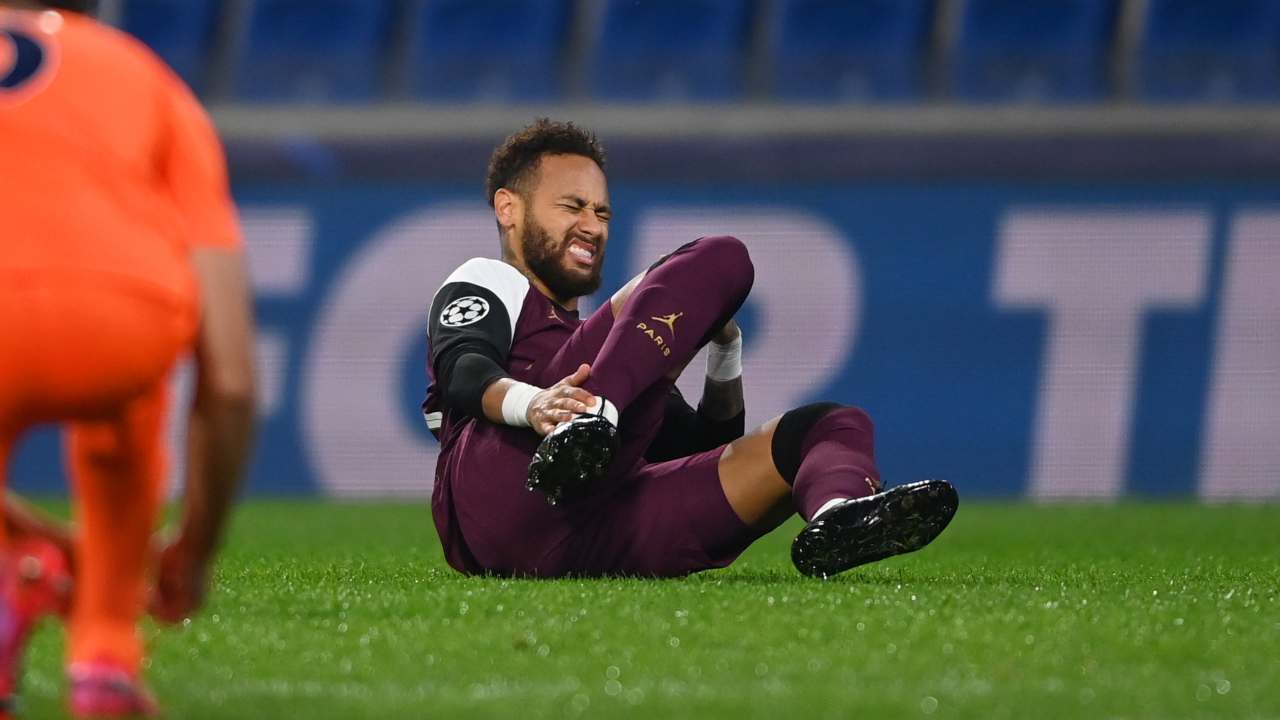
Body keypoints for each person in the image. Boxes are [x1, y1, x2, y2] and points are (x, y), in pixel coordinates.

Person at [423, 118, 957, 580]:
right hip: (502, 490)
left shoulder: (614, 357)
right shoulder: (489, 280)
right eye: (572, 206)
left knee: (833, 426)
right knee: (721, 257)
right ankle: (588, 421)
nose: (592, 225)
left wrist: (724, 348)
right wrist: (537, 405)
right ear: (508, 208)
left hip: (590, 530)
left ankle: (840, 514)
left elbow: (702, 449)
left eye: (603, 214)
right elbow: (464, 371)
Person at [0, 1, 256, 716]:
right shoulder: (147, 81)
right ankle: (105, 651)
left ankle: (15, 581)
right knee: (130, 404)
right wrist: (193, 554)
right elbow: (230, 378)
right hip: (117, 321)